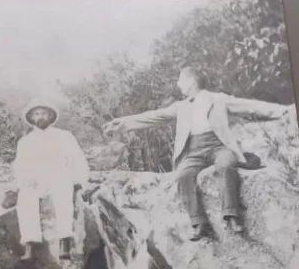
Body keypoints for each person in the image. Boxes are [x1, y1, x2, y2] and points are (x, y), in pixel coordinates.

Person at [103, 66, 292, 241]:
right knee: (183, 175)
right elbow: (153, 116)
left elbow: (248, 105)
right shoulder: (181, 106)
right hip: (193, 151)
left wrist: (284, 111)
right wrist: (122, 123)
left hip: (218, 146)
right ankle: (199, 223)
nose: (178, 84)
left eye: (180, 80)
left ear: (191, 81)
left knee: (226, 165)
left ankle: (231, 215)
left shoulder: (218, 99)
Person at [12, 98, 90, 260]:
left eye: (44, 113)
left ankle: (64, 241)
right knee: (26, 197)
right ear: (32, 118)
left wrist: (79, 181)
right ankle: (30, 243)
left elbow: (77, 159)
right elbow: (20, 166)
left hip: (59, 176)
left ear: (50, 116)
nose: (40, 117)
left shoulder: (64, 136)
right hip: (36, 180)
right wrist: (25, 179)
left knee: (63, 193)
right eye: (37, 114)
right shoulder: (25, 141)